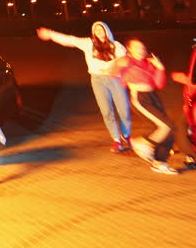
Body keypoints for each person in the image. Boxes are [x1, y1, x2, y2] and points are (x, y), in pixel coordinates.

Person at [36, 22, 132, 152]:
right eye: (96, 29)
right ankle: (116, 140)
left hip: (116, 79)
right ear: (93, 32)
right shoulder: (89, 43)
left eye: (101, 29)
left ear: (106, 30)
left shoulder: (117, 46)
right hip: (97, 80)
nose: (98, 31)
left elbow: (126, 62)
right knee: (106, 111)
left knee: (124, 110)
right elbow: (70, 40)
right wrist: (51, 34)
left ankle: (126, 135)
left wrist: (120, 73)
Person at [111, 39, 178, 175]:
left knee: (169, 130)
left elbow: (158, 84)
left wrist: (160, 68)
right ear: (129, 49)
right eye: (137, 47)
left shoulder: (149, 63)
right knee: (167, 126)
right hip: (140, 97)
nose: (141, 50)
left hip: (153, 97)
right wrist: (118, 64)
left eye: (143, 47)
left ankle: (160, 163)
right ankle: (142, 143)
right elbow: (111, 72)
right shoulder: (126, 60)